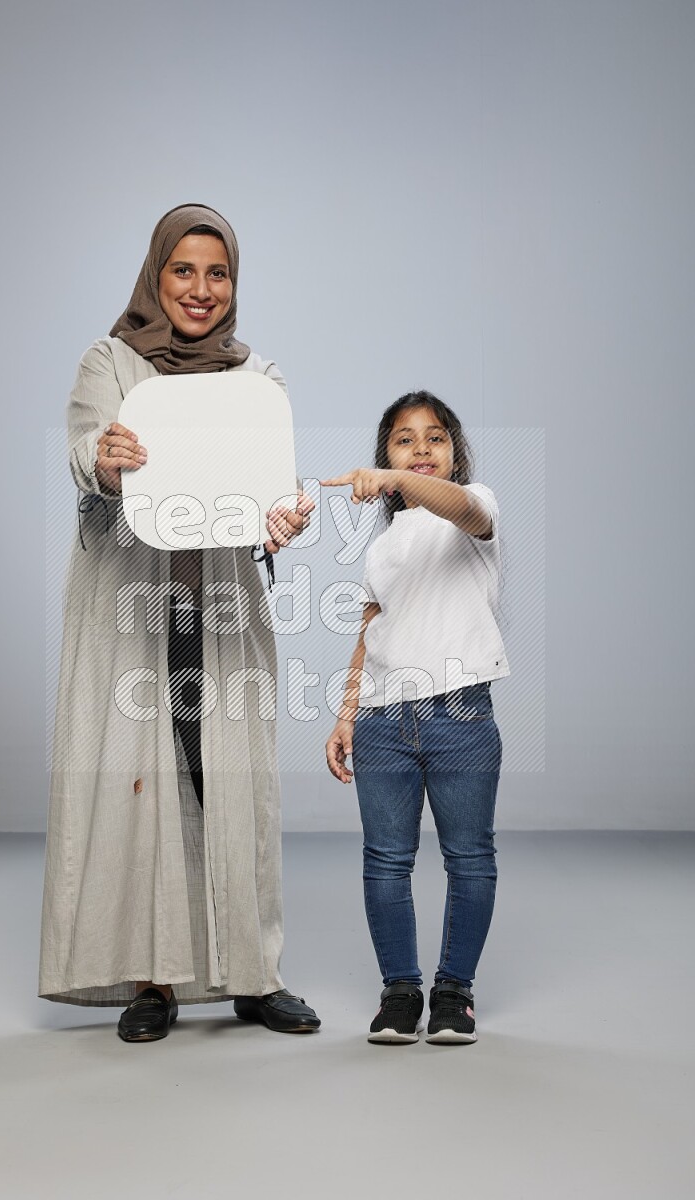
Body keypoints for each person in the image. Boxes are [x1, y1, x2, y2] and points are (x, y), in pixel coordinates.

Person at [39, 204, 320, 1040]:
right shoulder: (111, 362)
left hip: (223, 603)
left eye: (218, 272)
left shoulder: (256, 378)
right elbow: (85, 447)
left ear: (234, 284)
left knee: (235, 781)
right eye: (184, 270)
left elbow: (271, 484)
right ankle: (155, 981)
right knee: (145, 783)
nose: (201, 289)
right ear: (156, 275)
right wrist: (106, 460)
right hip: (135, 604)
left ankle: (253, 973)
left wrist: (284, 517)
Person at [322, 391, 508, 1045]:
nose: (421, 448)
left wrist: (400, 481)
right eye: (404, 440)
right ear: (384, 455)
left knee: (469, 858)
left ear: (455, 456)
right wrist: (347, 713)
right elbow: (369, 629)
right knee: (385, 861)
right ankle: (400, 992)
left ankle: (454, 993)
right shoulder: (381, 552)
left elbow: (460, 506)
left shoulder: (473, 509)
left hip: (460, 715)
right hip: (383, 721)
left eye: (435, 438)